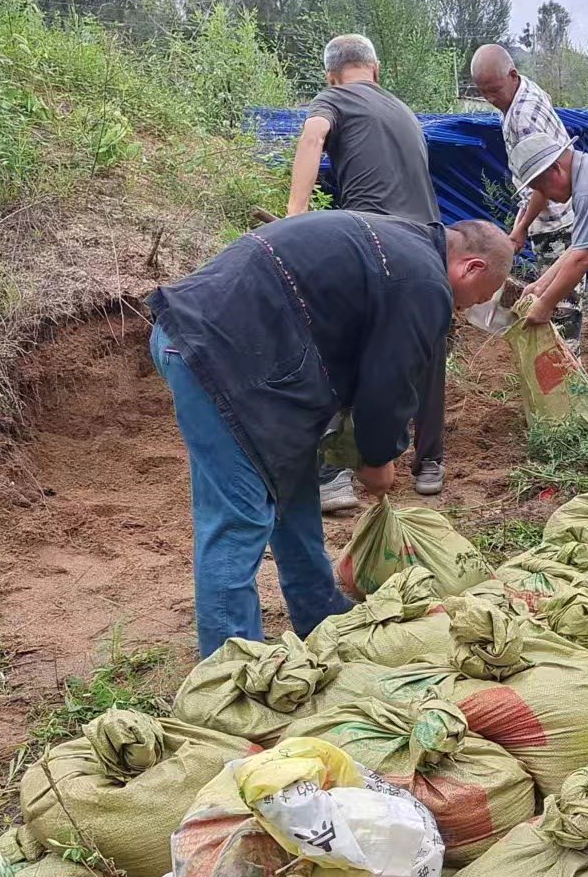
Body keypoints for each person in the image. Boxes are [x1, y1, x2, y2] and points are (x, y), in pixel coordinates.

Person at [147, 212, 511, 658]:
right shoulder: (424, 282)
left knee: (295, 489)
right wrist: (377, 457)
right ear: (471, 267)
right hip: (218, 352)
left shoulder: (407, 249)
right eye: (480, 297)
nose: (466, 309)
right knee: (239, 514)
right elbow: (390, 381)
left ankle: (318, 611)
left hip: (242, 346)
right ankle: (230, 665)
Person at [288, 34, 449, 504]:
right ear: (375, 70)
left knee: (340, 341)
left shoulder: (334, 98)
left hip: (374, 239)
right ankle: (430, 462)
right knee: (426, 346)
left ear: (331, 76)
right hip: (428, 240)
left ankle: (332, 475)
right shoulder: (404, 110)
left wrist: (295, 214)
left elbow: (312, 135)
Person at [469, 44, 584, 347]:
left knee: (561, 309)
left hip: (559, 221)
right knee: (552, 296)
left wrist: (520, 228)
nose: (490, 98)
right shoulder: (520, 93)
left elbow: (543, 185)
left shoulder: (524, 118)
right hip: (552, 214)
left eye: (494, 90)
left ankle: (567, 369)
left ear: (512, 75)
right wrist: (520, 225)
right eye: (483, 92)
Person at [505, 132, 588, 332]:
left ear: (555, 169)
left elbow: (582, 258)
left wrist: (545, 305)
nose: (546, 197)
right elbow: (579, 247)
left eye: (541, 188)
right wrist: (540, 286)